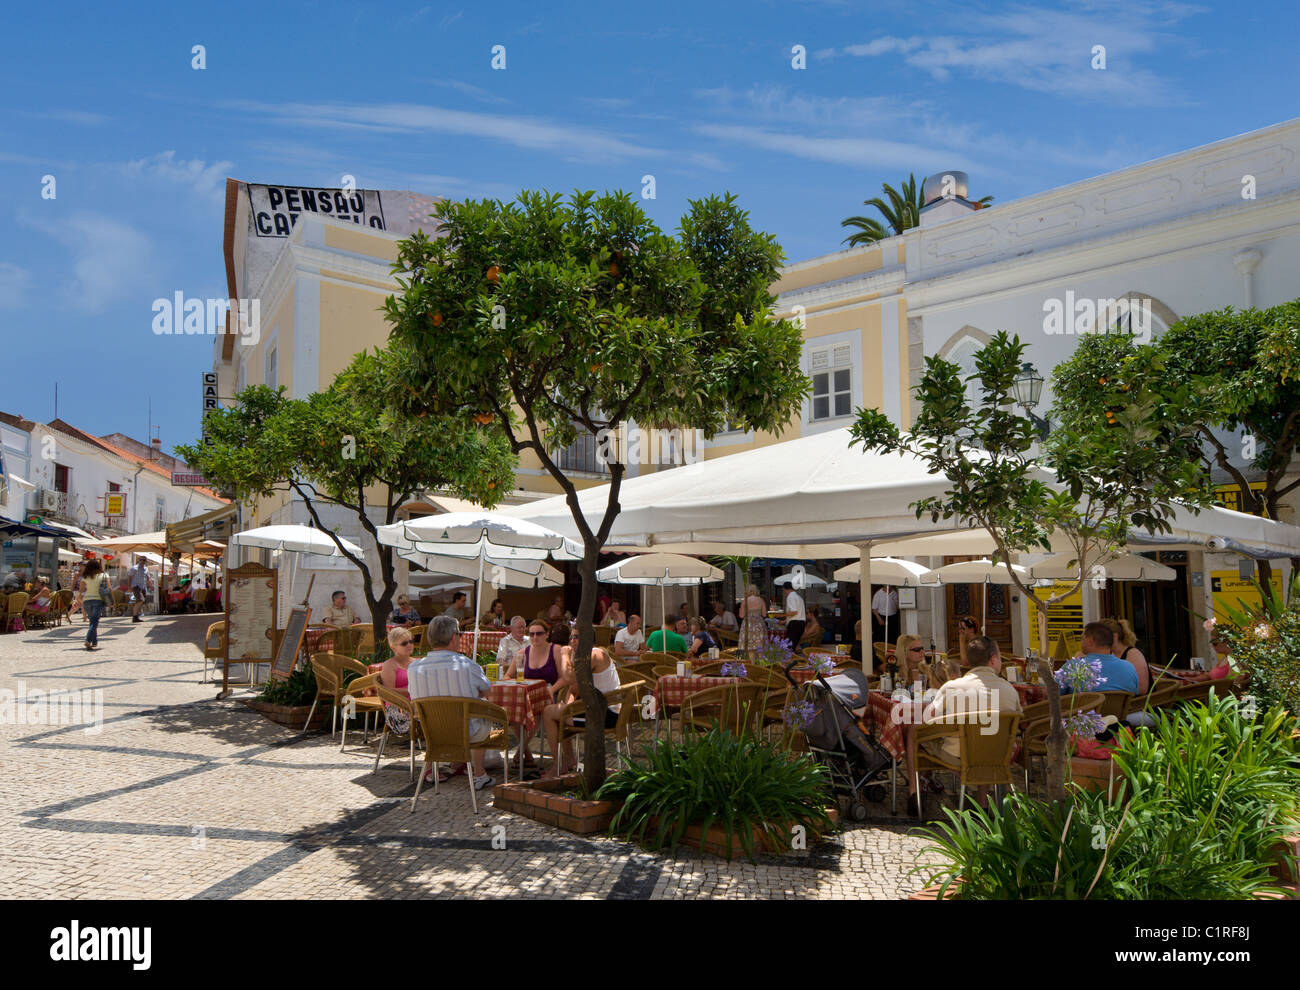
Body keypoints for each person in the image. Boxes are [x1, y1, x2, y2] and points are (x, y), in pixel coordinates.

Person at [905, 635, 1022, 814]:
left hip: (959, 756)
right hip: (999, 755)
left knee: (915, 730)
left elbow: (928, 720)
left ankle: (914, 792)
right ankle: (982, 803)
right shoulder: (1010, 690)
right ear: (992, 660)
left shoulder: (952, 687)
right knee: (987, 739)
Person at [406, 615, 495, 791]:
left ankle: (450, 764)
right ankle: (479, 773)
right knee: (483, 711)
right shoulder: (468, 665)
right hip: (467, 733)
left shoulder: (414, 668)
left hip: (432, 733)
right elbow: (488, 691)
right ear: (454, 637)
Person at [540, 628, 623, 778]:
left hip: (604, 714)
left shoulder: (594, 655)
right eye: (571, 637)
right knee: (557, 713)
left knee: (548, 713)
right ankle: (569, 760)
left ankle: (558, 766)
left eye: (577, 637)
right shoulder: (589, 656)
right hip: (599, 709)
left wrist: (565, 656)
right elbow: (574, 688)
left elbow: (569, 677)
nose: (572, 641)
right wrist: (567, 708)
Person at [1062, 622, 1140, 694]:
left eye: (1082, 638)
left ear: (1090, 641)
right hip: (1119, 709)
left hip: (1085, 709)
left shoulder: (1073, 667)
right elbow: (1134, 694)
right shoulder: (1129, 668)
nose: (1081, 642)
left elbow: (1053, 694)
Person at [379, 626, 416, 737]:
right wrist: (412, 691)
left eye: (411, 641)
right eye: (404, 643)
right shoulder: (390, 665)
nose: (409, 645)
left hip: (416, 704)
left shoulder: (416, 662)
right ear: (393, 648)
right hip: (397, 708)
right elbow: (388, 691)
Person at [1101, 617, 1150, 694]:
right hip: (1118, 699)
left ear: (1114, 636)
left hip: (1139, 702)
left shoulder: (1133, 654)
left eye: (1101, 636)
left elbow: (1142, 688)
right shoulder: (1109, 654)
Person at [80, 560, 112, 651]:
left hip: (87, 601)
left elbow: (80, 591)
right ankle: (87, 640)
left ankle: (94, 642)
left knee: (92, 621)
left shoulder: (85, 577)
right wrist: (112, 601)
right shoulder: (104, 576)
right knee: (94, 622)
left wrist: (77, 600)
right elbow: (109, 588)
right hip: (98, 600)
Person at [738, 584, 768, 657]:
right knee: (760, 646)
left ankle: (753, 665)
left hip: (748, 624)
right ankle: (761, 666)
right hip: (759, 624)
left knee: (750, 648)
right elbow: (764, 614)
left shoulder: (745, 601)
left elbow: (741, 615)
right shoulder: (761, 600)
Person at [783, 584, 806, 648]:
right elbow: (798, 613)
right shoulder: (799, 597)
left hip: (794, 624)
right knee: (793, 646)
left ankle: (789, 658)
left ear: (785, 589)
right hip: (801, 623)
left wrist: (780, 614)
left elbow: (794, 612)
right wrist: (785, 620)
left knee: (789, 647)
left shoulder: (790, 596)